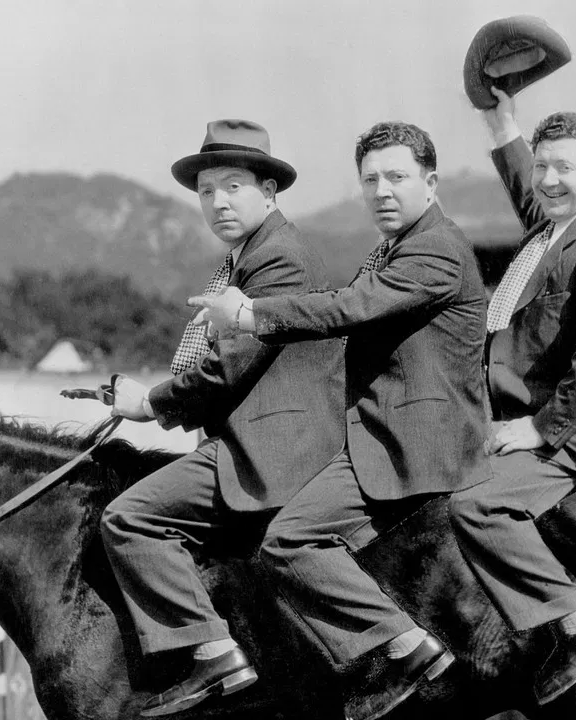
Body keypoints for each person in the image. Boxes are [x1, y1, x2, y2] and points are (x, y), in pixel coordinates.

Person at [192, 121, 490, 720]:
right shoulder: (396, 246)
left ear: (431, 184)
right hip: (383, 423)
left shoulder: (433, 247)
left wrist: (251, 315)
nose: (381, 191)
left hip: (414, 438)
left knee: (289, 539)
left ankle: (401, 648)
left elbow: (349, 309)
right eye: (370, 179)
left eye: (397, 178)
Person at [100, 119, 346, 717]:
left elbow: (229, 369)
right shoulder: (246, 258)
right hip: (256, 436)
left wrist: (147, 406)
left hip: (274, 449)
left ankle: (213, 653)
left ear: (269, 191)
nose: (217, 202)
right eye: (207, 191)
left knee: (129, 517)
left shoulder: (278, 260)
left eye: (233, 186)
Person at [448, 87, 576, 705]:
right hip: (510, 413)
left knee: (476, 508)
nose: (549, 180)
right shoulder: (557, 224)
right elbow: (526, 184)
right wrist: (501, 123)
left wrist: (539, 428)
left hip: (570, 438)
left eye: (565, 168)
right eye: (544, 164)